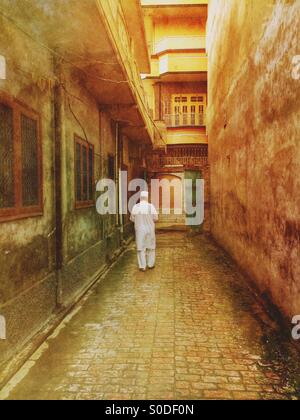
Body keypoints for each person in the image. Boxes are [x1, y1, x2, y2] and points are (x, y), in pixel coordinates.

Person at [130, 191, 158, 272]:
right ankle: (150, 264)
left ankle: (142, 266)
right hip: (149, 229)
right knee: (151, 247)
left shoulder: (136, 207)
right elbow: (156, 218)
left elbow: (132, 219)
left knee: (140, 248)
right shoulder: (151, 206)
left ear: (140, 198)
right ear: (147, 197)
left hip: (140, 230)